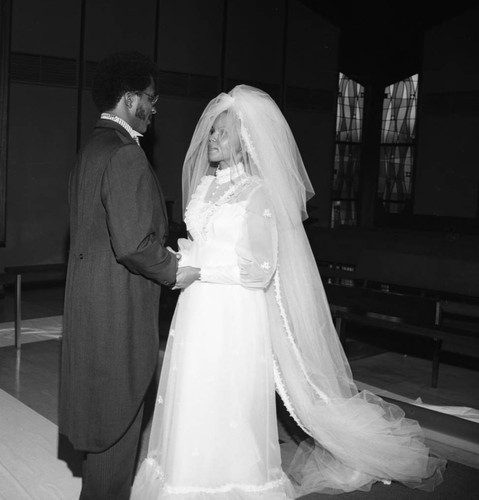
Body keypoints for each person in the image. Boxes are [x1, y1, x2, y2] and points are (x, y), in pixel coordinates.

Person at [131, 85, 446, 499]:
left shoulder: (258, 193)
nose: (211, 139)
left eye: (221, 133)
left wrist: (199, 268)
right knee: (193, 393)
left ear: (244, 139)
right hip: (196, 307)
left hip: (233, 309)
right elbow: (205, 240)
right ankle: (182, 478)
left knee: (227, 397)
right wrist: (182, 256)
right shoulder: (206, 187)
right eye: (211, 132)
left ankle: (231, 483)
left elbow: (260, 270)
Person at [58, 51, 178, 500]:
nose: (153, 109)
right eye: (150, 98)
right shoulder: (125, 155)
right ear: (129, 99)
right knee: (116, 432)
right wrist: (174, 271)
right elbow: (132, 244)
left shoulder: (91, 149)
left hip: (91, 312)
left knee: (102, 424)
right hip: (117, 316)